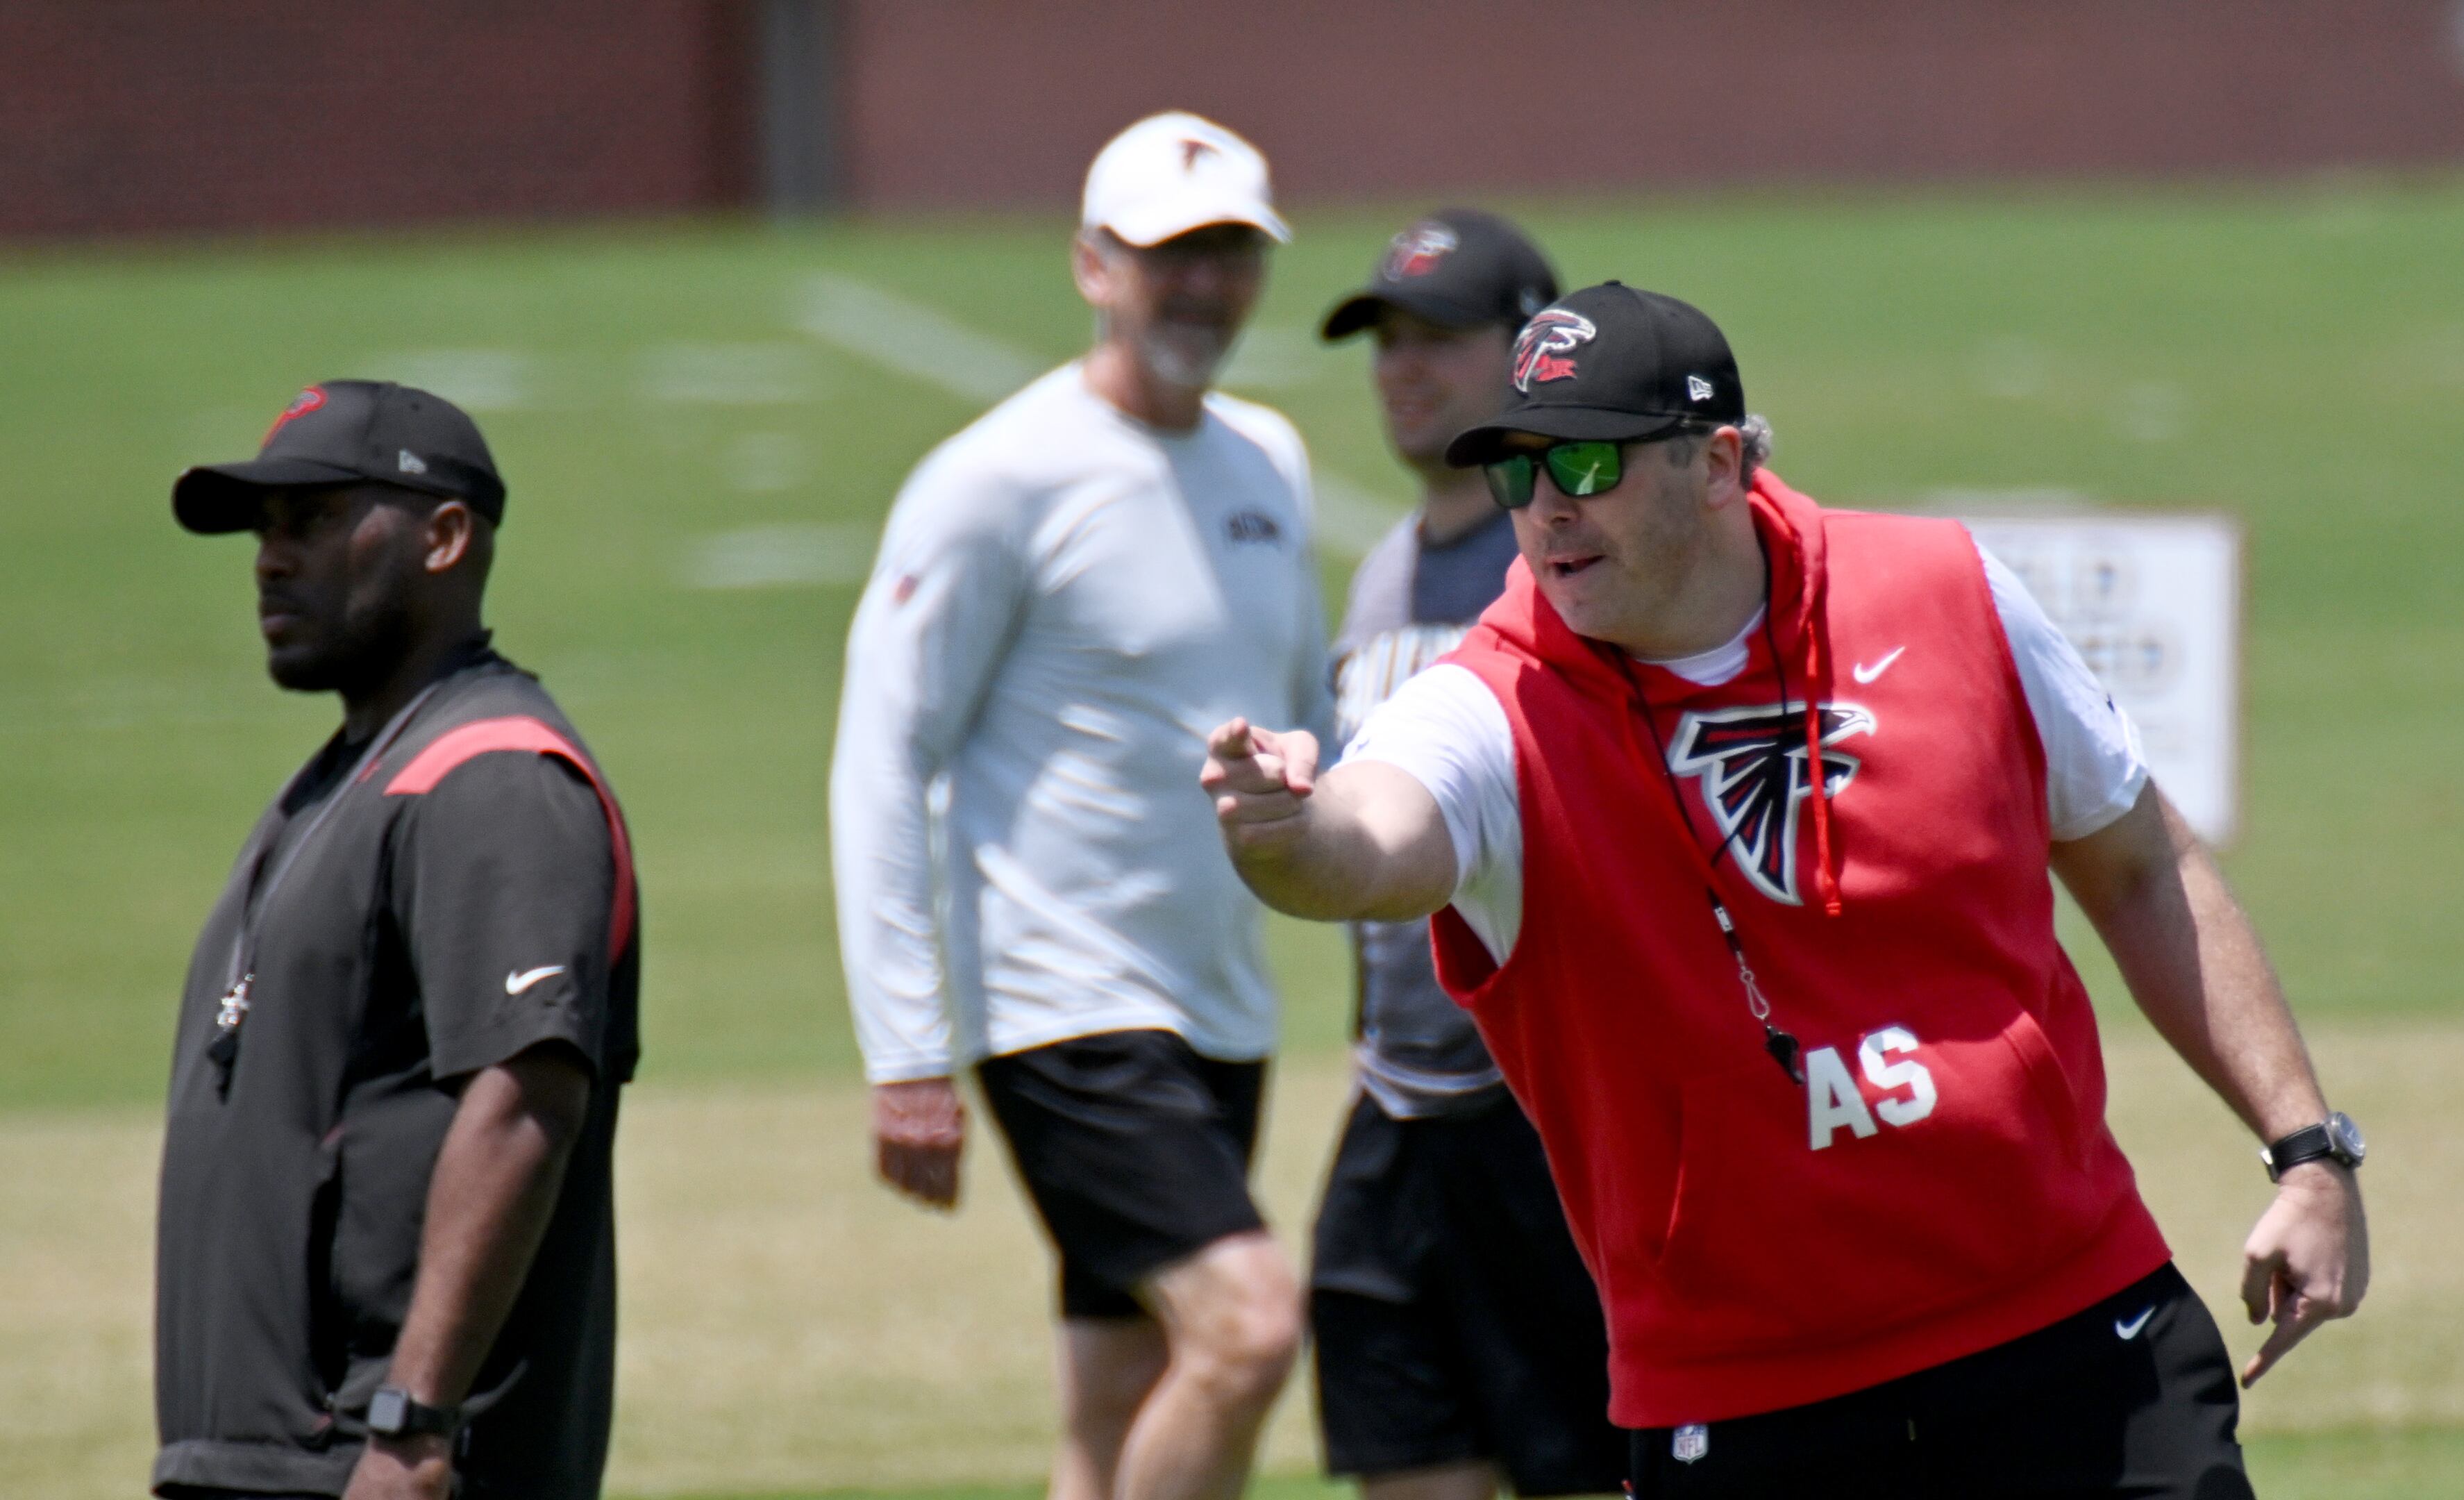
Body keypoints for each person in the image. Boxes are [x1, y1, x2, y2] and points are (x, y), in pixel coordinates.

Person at [1201, 283, 2370, 1499]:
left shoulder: (1950, 592)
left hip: (2074, 1332)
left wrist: (2307, 1154)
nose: (1547, 510)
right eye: (1518, 473)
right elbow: (1370, 847)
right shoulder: (1493, 705)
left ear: (1715, 464)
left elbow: (2143, 866)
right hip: (1751, 1403)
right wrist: (1284, 825)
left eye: (1589, 462)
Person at [828, 111, 1332, 1500]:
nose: (1205, 286)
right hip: (1065, 1006)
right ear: (1093, 265)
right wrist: (908, 1049)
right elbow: (884, 751)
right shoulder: (997, 480)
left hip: (1220, 1004)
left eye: (1231, 252)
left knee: (1115, 1407)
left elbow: (1311, 719)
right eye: (1173, 254)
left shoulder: (1269, 461)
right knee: (1249, 1328)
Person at [154, 381, 639, 1500]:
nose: (272, 559)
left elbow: (525, 1098)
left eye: (316, 519)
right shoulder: (350, 779)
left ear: (445, 537)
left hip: (375, 1458)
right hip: (276, 1453)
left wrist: (412, 1423)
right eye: (264, 531)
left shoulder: (494, 776)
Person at [1308, 211, 1623, 1500]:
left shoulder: (1574, 567)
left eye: (1439, 338)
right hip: (1397, 1110)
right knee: (1403, 1453)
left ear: (1533, 352)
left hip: (1545, 1115)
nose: (1401, 365)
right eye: (1386, 337)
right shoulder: (1384, 573)